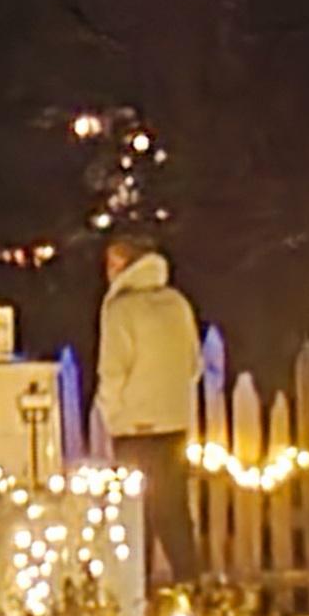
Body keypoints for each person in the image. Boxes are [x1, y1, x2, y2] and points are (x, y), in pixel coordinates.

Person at [96, 233, 207, 593]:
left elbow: (113, 371)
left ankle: (134, 598)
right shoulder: (177, 304)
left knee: (135, 520)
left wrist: (111, 412)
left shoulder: (120, 310)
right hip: (174, 423)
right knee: (175, 516)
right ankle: (191, 592)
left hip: (134, 429)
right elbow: (194, 363)